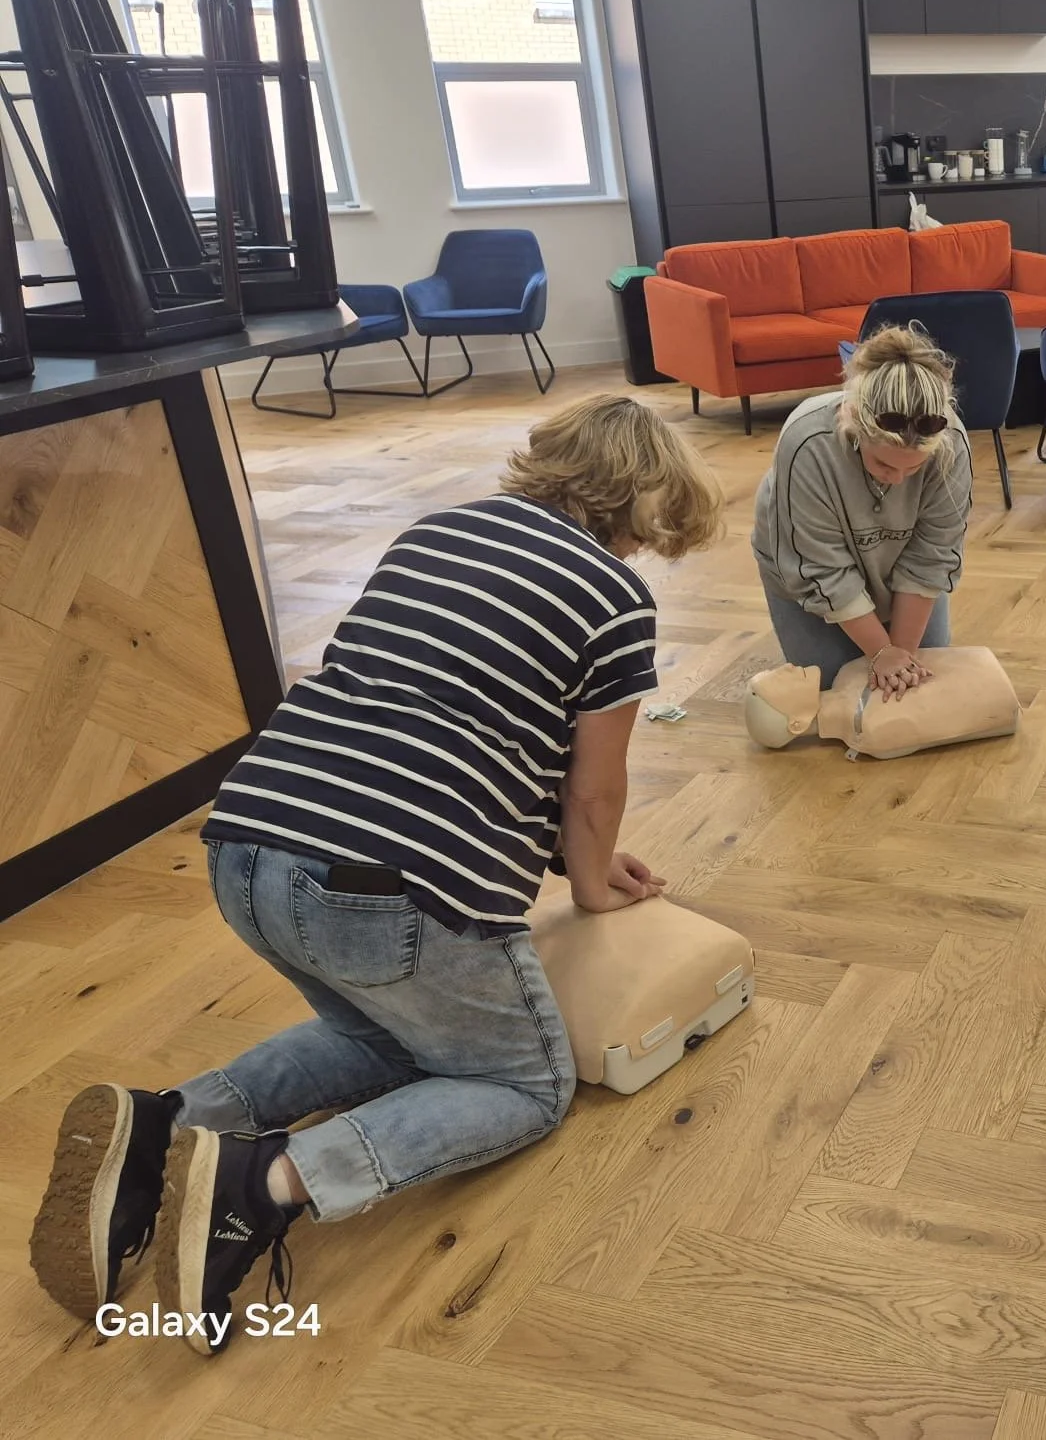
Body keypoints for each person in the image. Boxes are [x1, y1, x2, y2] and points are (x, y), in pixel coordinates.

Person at [29, 394, 726, 1353]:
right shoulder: (613, 598)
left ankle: (165, 1127)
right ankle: (263, 1183)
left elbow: (431, 714)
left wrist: (570, 852)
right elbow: (594, 788)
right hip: (381, 890)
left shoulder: (434, 533)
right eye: (651, 534)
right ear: (641, 503)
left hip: (246, 844)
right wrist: (591, 881)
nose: (644, 553)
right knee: (527, 1088)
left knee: (393, 1038)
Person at [753, 325, 973, 698]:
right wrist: (881, 652)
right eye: (884, 464)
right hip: (808, 572)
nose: (899, 479)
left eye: (914, 468)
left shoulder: (949, 441)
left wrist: (899, 656)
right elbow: (821, 568)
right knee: (833, 688)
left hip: (898, 564)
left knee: (915, 687)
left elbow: (932, 557)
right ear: (851, 419)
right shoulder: (807, 442)